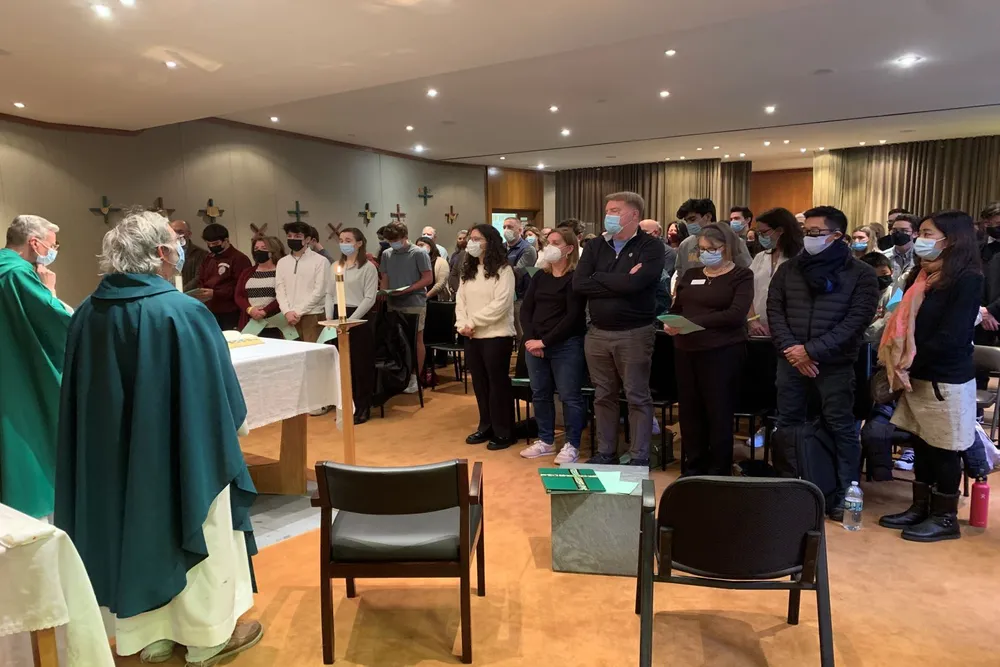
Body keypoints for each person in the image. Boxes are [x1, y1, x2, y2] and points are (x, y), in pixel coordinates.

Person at [55, 211, 262, 666]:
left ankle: (149, 636)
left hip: (114, 459)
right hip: (184, 454)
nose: (180, 250)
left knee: (132, 528)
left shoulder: (88, 312)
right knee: (200, 522)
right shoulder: (183, 311)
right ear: (163, 254)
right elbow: (217, 397)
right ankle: (208, 637)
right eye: (175, 242)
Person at [767, 205, 880, 520]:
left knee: (841, 426)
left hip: (834, 364)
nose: (809, 238)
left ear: (837, 236)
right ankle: (788, 487)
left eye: (816, 233)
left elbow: (856, 322)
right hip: (790, 361)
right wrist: (793, 349)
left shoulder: (862, 274)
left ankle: (844, 493)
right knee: (786, 423)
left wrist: (811, 351)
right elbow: (774, 310)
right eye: (807, 232)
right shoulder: (789, 269)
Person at [877, 211, 983, 542]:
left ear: (951, 239)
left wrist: (909, 362)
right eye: (921, 232)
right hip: (916, 374)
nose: (921, 239)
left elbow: (951, 335)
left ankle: (944, 516)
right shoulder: (920, 276)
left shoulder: (967, 279)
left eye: (927, 233)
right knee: (920, 443)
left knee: (943, 448)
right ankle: (919, 507)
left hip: (944, 377)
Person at [575, 191, 666, 466]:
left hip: (635, 332)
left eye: (615, 210)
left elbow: (638, 285)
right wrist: (621, 278)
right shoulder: (595, 246)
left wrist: (600, 279)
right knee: (603, 396)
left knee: (637, 395)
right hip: (598, 332)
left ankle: (639, 456)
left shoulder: (650, 247)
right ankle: (606, 452)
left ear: (634, 215)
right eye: (607, 210)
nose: (608, 215)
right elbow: (579, 284)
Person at [666, 223, 753, 476]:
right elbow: (678, 307)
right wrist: (671, 322)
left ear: (726, 248)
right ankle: (692, 467)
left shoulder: (741, 275)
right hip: (686, 349)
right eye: (702, 249)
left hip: (722, 352)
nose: (706, 253)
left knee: (718, 411)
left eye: (712, 248)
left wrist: (695, 323)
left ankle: (718, 469)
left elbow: (736, 315)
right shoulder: (691, 274)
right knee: (690, 412)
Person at [0, 214, 72, 518]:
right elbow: (56, 320)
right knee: (29, 444)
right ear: (34, 242)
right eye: (52, 246)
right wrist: (51, 289)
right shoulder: (18, 274)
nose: (53, 252)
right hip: (19, 375)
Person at [519, 228, 587, 463]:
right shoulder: (540, 276)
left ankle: (572, 444)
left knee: (570, 396)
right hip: (534, 345)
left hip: (566, 345)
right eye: (548, 242)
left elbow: (573, 317)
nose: (548, 247)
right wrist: (530, 339)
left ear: (569, 249)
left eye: (555, 243)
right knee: (540, 393)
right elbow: (526, 309)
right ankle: (546, 440)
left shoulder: (575, 278)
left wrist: (545, 341)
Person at [456, 224, 516, 450]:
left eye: (477, 238)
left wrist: (473, 322)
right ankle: (486, 425)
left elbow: (500, 305)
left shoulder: (504, 270)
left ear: (490, 242)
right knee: (480, 384)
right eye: (470, 238)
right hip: (471, 336)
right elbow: (460, 301)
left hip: (496, 335)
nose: (471, 242)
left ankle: (504, 431)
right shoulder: (468, 270)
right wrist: (461, 324)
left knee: (497, 384)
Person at [327, 228, 379, 424]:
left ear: (359, 243)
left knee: (360, 365)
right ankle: (347, 406)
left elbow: (369, 297)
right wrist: (329, 319)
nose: (344, 243)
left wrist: (351, 320)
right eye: (341, 240)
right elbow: (330, 294)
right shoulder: (335, 266)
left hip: (358, 317)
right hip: (337, 316)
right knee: (343, 366)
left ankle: (363, 407)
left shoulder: (367, 268)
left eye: (348, 240)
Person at [380, 221, 433, 394]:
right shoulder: (387, 254)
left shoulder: (418, 253)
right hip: (393, 302)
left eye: (396, 240)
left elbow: (428, 278)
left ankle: (414, 377)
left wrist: (408, 289)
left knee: (415, 340)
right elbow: (385, 277)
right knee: (395, 340)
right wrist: (385, 292)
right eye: (390, 240)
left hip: (414, 301)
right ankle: (399, 374)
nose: (393, 243)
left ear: (404, 237)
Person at [748, 208, 804, 337]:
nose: (761, 237)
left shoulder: (800, 258)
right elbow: (747, 290)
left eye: (764, 233)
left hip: (789, 330)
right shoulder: (761, 257)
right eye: (759, 233)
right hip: (757, 328)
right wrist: (752, 320)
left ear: (780, 230)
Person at [674, 198, 753, 281]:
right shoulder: (685, 245)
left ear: (708, 216)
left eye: (692, 219)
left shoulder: (732, 240)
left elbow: (746, 271)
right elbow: (680, 274)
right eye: (687, 221)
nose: (689, 224)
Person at [276, 221, 329, 343]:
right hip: (288, 316)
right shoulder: (282, 262)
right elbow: (279, 289)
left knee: (314, 355)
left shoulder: (320, 261)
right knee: (291, 355)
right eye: (289, 236)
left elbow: (319, 291)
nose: (292, 239)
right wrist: (287, 311)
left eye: (297, 236)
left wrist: (298, 311)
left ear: (308, 239)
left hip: (312, 315)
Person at [196, 223, 252, 330]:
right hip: (210, 310)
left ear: (226, 240)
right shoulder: (208, 258)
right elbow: (201, 278)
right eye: (209, 244)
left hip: (230, 312)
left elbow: (241, 288)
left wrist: (216, 293)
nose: (212, 246)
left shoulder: (239, 258)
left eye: (216, 243)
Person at [235, 236, 286, 335]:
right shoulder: (247, 272)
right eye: (256, 249)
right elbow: (239, 295)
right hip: (251, 323)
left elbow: (284, 296)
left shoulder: (281, 271)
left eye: (264, 248)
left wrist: (265, 311)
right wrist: (250, 310)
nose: (259, 251)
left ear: (273, 251)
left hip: (275, 324)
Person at [169, 219, 208, 292]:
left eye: (180, 232)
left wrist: (181, 292)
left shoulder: (201, 253)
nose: (176, 235)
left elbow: (198, 277)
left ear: (189, 234)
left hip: (189, 295)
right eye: (173, 232)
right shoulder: (165, 252)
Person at [882, 213, 920, 284]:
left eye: (904, 231)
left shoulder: (921, 257)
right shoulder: (883, 257)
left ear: (915, 234)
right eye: (894, 230)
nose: (898, 234)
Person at [416, 235, 453, 301]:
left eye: (421, 245)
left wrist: (426, 296)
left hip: (436, 300)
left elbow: (440, 283)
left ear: (430, 246)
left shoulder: (441, 262)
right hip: (418, 300)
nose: (419, 248)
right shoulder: (416, 262)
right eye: (417, 246)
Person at [449, 229, 468, 295]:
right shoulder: (454, 255)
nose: (462, 240)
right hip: (454, 288)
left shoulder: (470, 255)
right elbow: (451, 270)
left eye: (464, 238)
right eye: (460, 238)